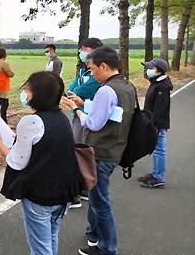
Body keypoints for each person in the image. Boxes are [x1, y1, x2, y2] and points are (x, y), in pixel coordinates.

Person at [0, 71, 81, 255]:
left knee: (40, 248)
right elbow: (43, 145)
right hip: (63, 191)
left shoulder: (31, 121)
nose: (24, 91)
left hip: (41, 194)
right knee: (51, 237)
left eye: (27, 88)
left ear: (39, 93)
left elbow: (17, 162)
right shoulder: (61, 118)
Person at [61, 46, 136, 255]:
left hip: (101, 152)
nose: (91, 73)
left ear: (104, 66)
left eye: (93, 69)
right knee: (96, 197)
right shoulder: (126, 85)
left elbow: (93, 124)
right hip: (115, 149)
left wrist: (75, 109)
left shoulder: (106, 90)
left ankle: (108, 248)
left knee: (100, 202)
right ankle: (93, 234)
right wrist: (84, 103)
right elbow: (111, 114)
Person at [66, 37, 104, 208]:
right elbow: (72, 88)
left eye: (85, 49)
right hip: (78, 112)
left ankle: (77, 191)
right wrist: (71, 93)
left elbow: (82, 90)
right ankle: (83, 188)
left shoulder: (97, 72)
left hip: (88, 115)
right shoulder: (83, 70)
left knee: (80, 151)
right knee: (79, 149)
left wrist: (74, 94)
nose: (82, 52)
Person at [138, 58, 172, 188]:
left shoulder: (162, 86)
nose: (148, 70)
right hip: (154, 123)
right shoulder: (156, 83)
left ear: (159, 71)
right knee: (157, 150)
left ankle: (158, 177)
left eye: (151, 68)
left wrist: (154, 126)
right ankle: (155, 173)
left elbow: (160, 110)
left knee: (159, 150)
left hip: (158, 124)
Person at [0, 48, 15, 123]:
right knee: (4, 106)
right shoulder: (4, 63)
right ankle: (4, 123)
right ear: (4, 55)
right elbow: (10, 74)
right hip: (3, 87)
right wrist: (13, 70)